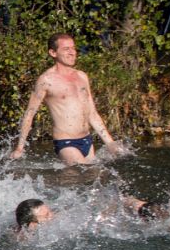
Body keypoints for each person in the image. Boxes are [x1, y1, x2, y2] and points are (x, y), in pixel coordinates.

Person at [11, 32, 121, 165]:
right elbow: (30, 114)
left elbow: (92, 113)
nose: (72, 52)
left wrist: (109, 142)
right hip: (66, 143)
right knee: (84, 171)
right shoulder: (46, 80)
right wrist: (19, 148)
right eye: (66, 49)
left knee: (93, 175)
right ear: (53, 53)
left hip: (87, 140)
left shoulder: (82, 76)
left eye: (73, 48)